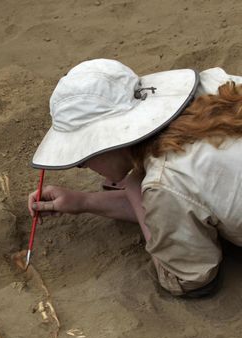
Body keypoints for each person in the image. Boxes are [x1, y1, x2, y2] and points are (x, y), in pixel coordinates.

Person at [28, 58, 242, 298]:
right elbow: (190, 205)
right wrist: (83, 202)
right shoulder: (213, 83)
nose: (83, 166)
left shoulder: (166, 180)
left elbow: (190, 280)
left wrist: (133, 187)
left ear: (106, 142)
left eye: (81, 158)